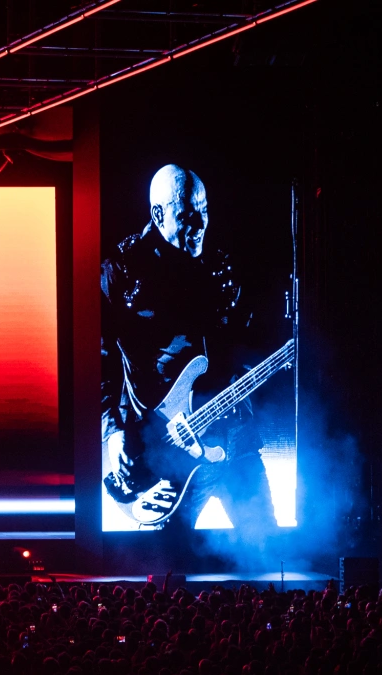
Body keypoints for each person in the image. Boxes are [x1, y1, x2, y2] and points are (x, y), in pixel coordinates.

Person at [101, 164, 275, 535]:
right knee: (168, 562)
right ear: (158, 214)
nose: (199, 226)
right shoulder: (121, 270)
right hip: (168, 449)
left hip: (235, 434)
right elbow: (96, 359)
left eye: (204, 212)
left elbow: (243, 342)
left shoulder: (219, 264)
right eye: (186, 216)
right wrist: (112, 431)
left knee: (269, 549)